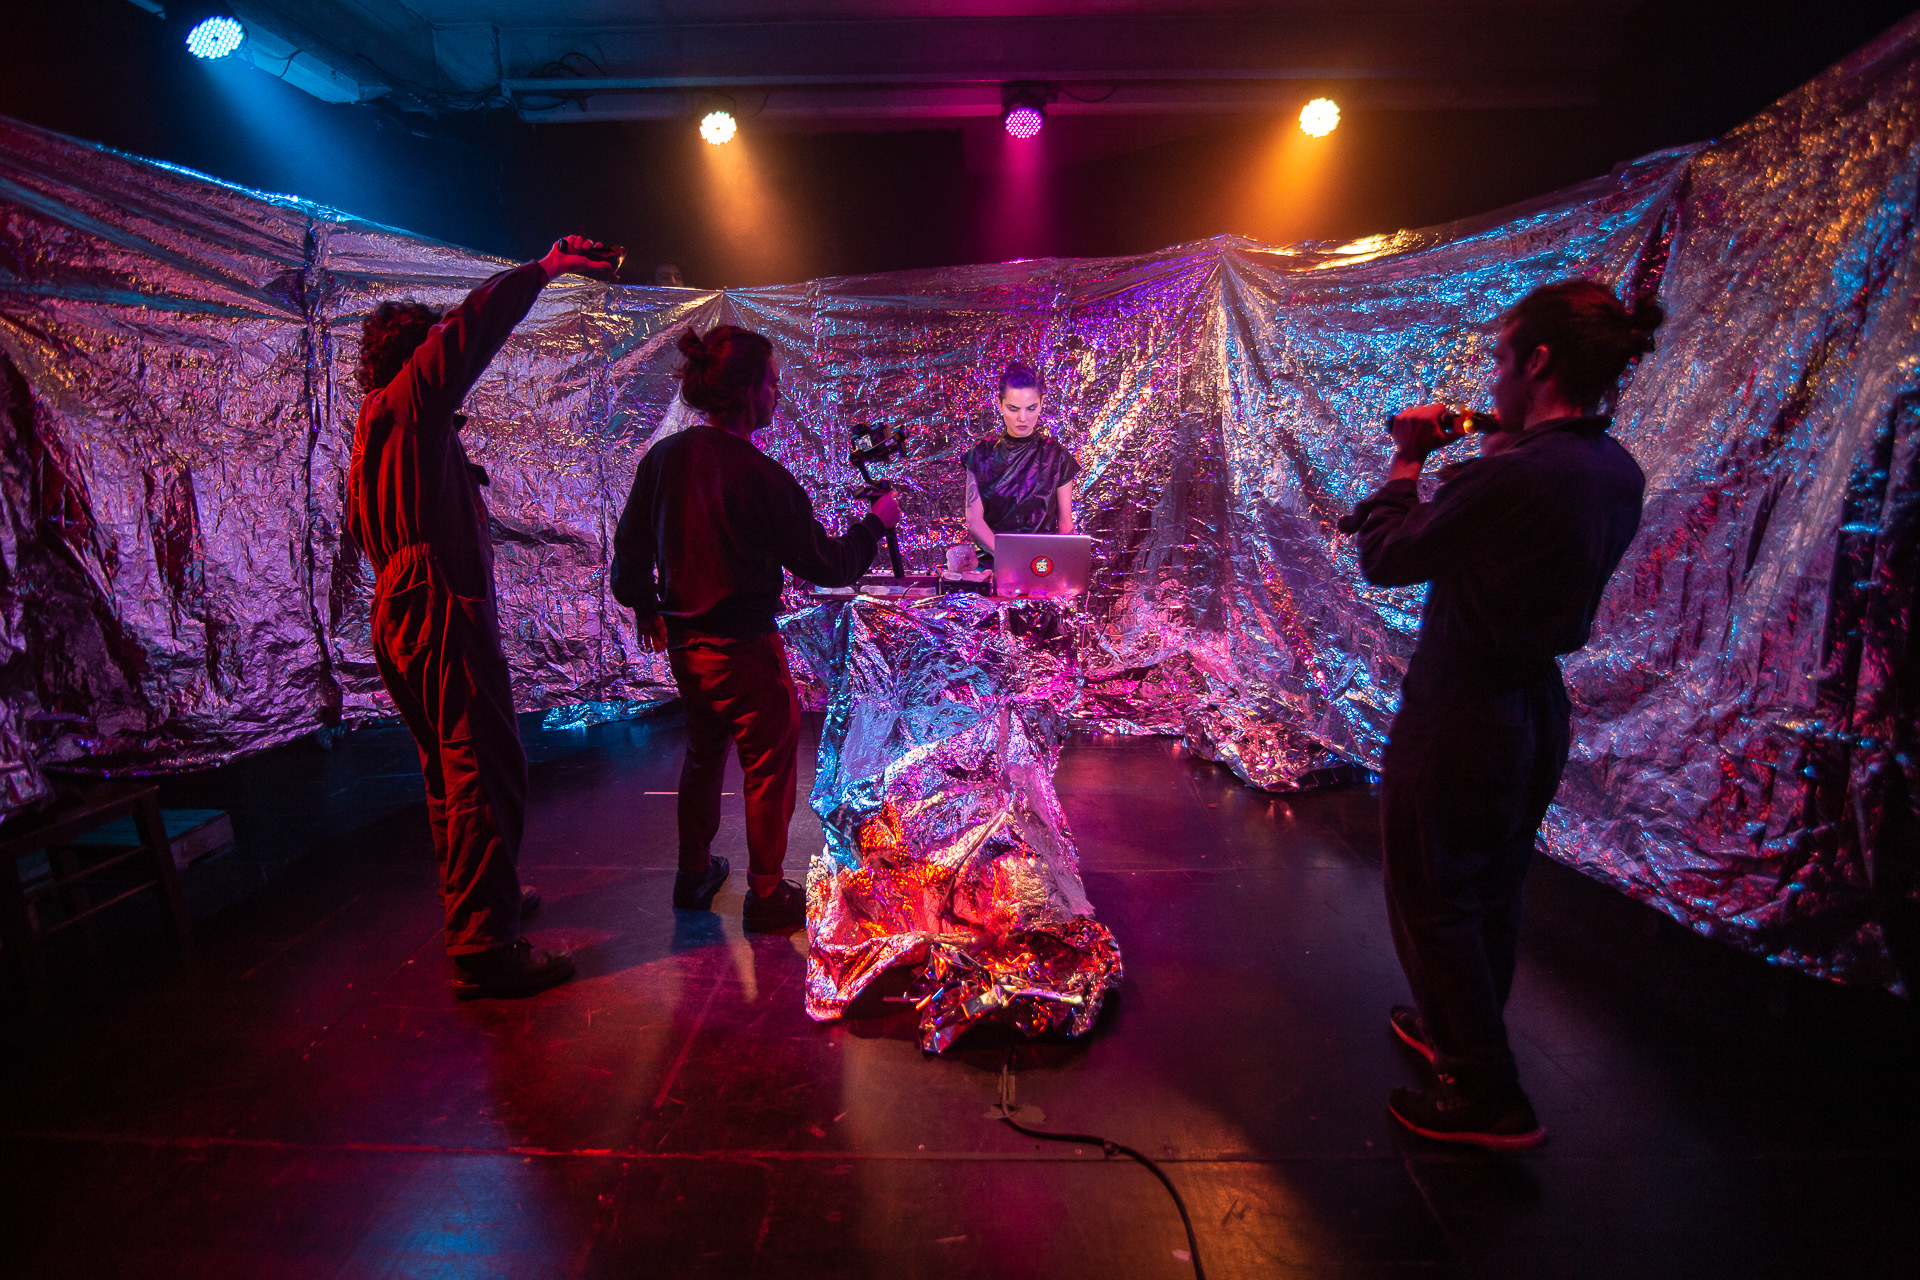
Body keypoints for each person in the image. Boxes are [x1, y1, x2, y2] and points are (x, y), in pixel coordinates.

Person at [1339, 279, 1661, 1148]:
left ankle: (1485, 1090)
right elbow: (1509, 528)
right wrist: (1488, 448)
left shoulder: (1513, 476)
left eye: (1501, 359)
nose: (1493, 376)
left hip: (1463, 710)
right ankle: (1457, 1027)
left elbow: (1388, 556)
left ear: (1540, 362)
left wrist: (1407, 463)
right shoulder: (1612, 468)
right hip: (1533, 708)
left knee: (1432, 893)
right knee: (1489, 887)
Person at [348, 235, 612, 999]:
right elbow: (472, 327)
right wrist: (545, 268)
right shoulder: (410, 402)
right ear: (421, 350)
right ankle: (485, 943)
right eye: (435, 342)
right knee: (484, 766)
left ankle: (477, 903)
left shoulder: (377, 425)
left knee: (451, 767)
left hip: (402, 605)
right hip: (433, 602)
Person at [610, 326, 901, 932]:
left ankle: (693, 874)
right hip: (744, 654)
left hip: (687, 651)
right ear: (746, 391)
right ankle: (766, 894)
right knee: (766, 767)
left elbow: (629, 551)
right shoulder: (761, 476)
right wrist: (876, 523)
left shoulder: (663, 459)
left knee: (702, 756)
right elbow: (830, 564)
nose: (777, 393)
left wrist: (646, 609)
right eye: (771, 383)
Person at [960, 362, 1080, 561]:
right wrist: (1011, 560)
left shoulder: (1057, 456)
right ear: (1000, 404)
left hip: (1042, 564)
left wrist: (1066, 567)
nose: (1022, 418)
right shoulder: (981, 454)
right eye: (1013, 409)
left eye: (1031, 408)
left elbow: (1065, 524)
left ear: (1041, 403)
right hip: (994, 563)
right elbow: (974, 521)